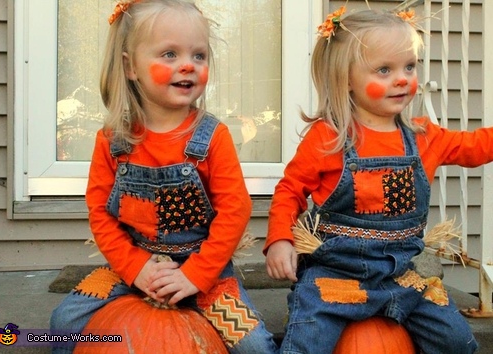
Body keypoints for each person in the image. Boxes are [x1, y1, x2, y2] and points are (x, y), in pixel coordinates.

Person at [50, 1, 278, 353]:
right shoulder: (113, 141)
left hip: (204, 271)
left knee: (256, 347)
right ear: (130, 67)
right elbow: (100, 213)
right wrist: (136, 269)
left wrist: (194, 275)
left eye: (199, 56)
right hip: (136, 265)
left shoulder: (212, 137)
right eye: (169, 54)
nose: (188, 65)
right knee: (63, 324)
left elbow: (235, 211)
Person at [265, 7, 487, 354]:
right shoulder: (329, 138)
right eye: (384, 69)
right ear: (346, 79)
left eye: (409, 67)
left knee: (458, 341)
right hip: (334, 276)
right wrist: (279, 239)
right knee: (306, 343)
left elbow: (473, 147)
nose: (401, 78)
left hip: (401, 277)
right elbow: (290, 190)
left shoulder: (424, 137)